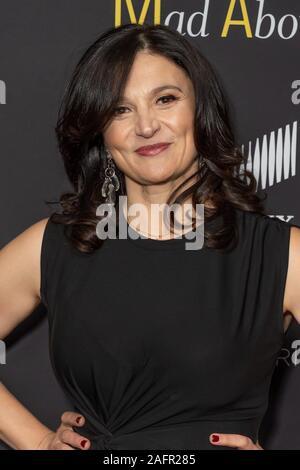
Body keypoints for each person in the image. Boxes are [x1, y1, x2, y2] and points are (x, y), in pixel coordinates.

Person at [0, 23, 299, 451]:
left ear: (200, 108)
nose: (145, 126)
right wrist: (36, 441)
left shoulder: (280, 255)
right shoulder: (53, 247)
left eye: (165, 99)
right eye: (120, 109)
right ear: (100, 130)